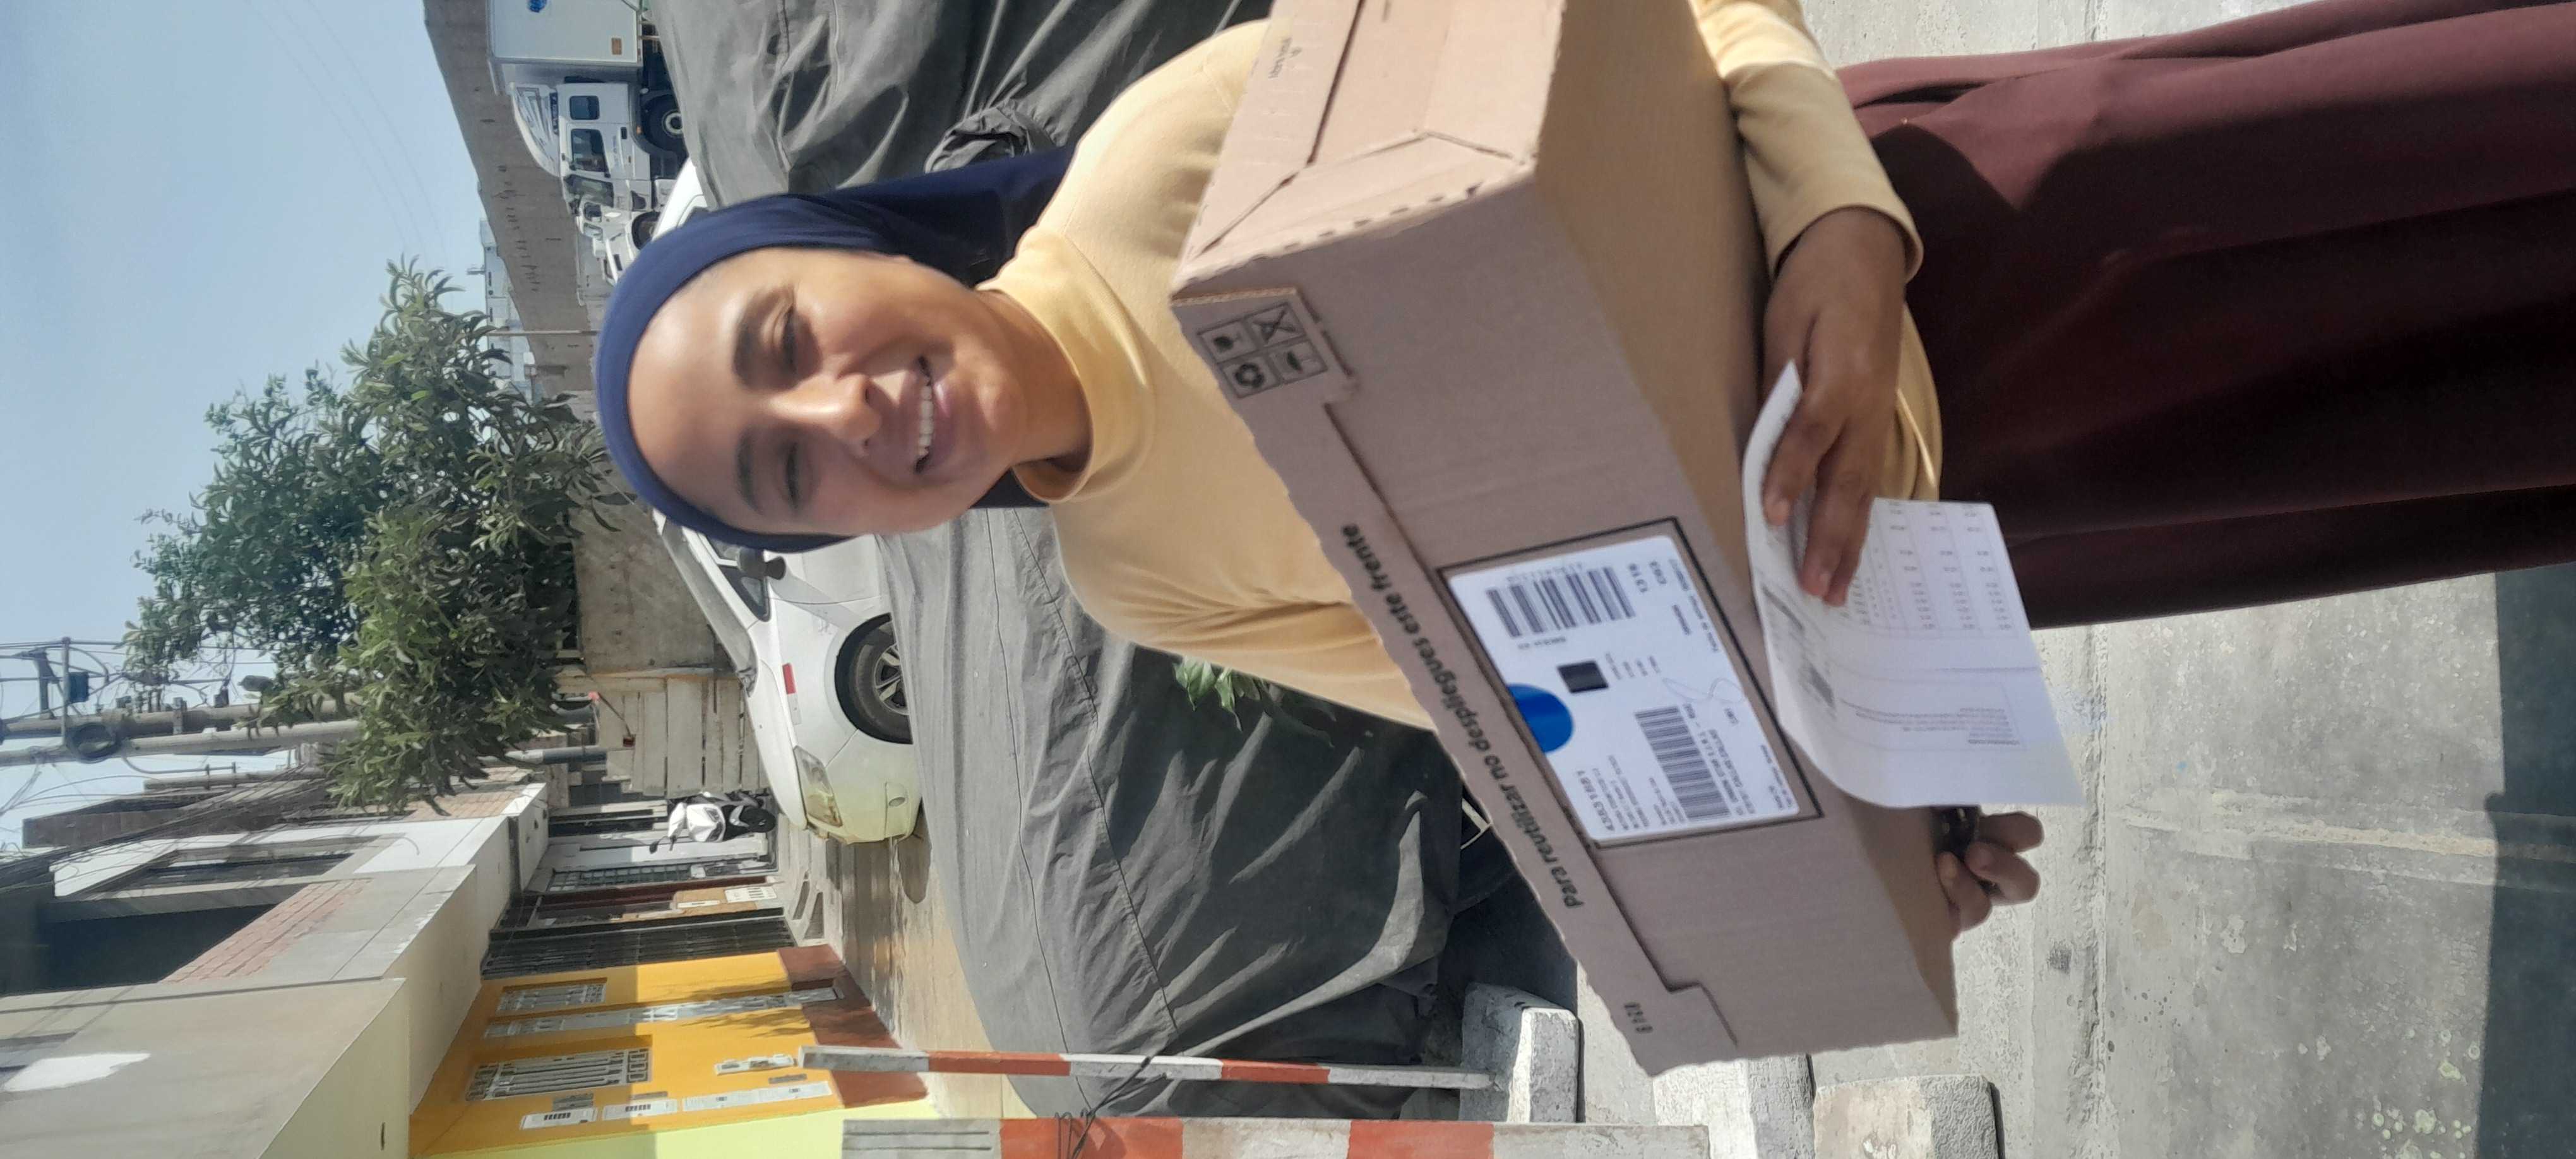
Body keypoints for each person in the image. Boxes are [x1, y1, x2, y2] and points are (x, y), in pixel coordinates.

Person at [597, 0, 2576, 930]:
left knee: (2472, 165)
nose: (843, 416)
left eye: (784, 343)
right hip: (1971, 518)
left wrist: (1840, 232)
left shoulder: (1156, 170)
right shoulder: (1142, 583)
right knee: (2450, 422)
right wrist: (1887, 813)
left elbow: (1663, 24)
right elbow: (1538, 698)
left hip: (1979, 233)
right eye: (783, 476)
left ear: (837, 250)